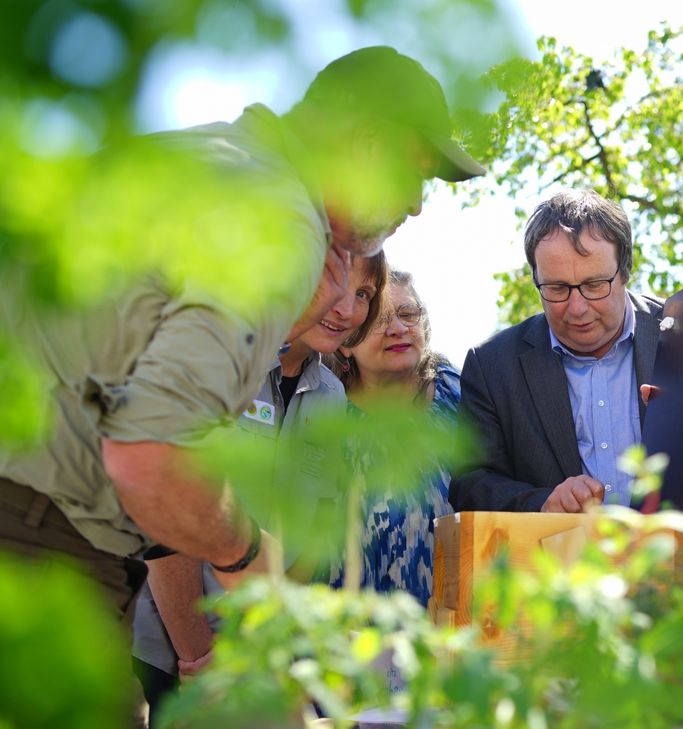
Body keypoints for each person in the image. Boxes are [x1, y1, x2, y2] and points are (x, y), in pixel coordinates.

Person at [0, 44, 483, 623]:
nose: (416, 204)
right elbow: (153, 453)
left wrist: (294, 318)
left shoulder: (202, 156)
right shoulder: (281, 223)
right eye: (415, 175)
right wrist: (248, 559)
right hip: (41, 542)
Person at [129, 252, 388, 718]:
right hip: (176, 641)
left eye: (364, 294)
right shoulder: (222, 359)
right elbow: (167, 508)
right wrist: (199, 657)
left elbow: (313, 534)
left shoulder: (331, 397)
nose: (345, 308)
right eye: (336, 281)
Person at [449, 189, 683, 521]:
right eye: (557, 289)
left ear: (625, 272)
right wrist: (543, 504)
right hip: (559, 568)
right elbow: (469, 485)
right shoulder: (492, 366)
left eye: (594, 285)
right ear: (536, 279)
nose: (577, 308)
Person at [328, 271, 461, 609]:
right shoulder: (321, 408)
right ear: (345, 342)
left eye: (407, 314)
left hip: (452, 635)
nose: (398, 329)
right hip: (347, 641)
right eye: (379, 321)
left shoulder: (462, 395)